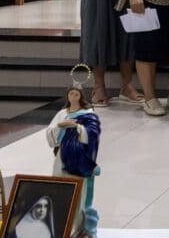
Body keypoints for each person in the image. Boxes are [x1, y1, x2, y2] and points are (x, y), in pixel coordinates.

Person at [44, 86, 100, 237]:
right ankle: (61, 227)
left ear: (81, 96)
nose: (73, 97)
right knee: (60, 189)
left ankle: (79, 229)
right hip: (62, 156)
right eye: (71, 94)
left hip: (79, 157)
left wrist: (77, 127)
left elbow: (92, 133)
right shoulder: (62, 113)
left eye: (76, 94)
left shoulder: (88, 113)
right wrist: (60, 126)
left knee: (79, 193)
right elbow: (50, 133)